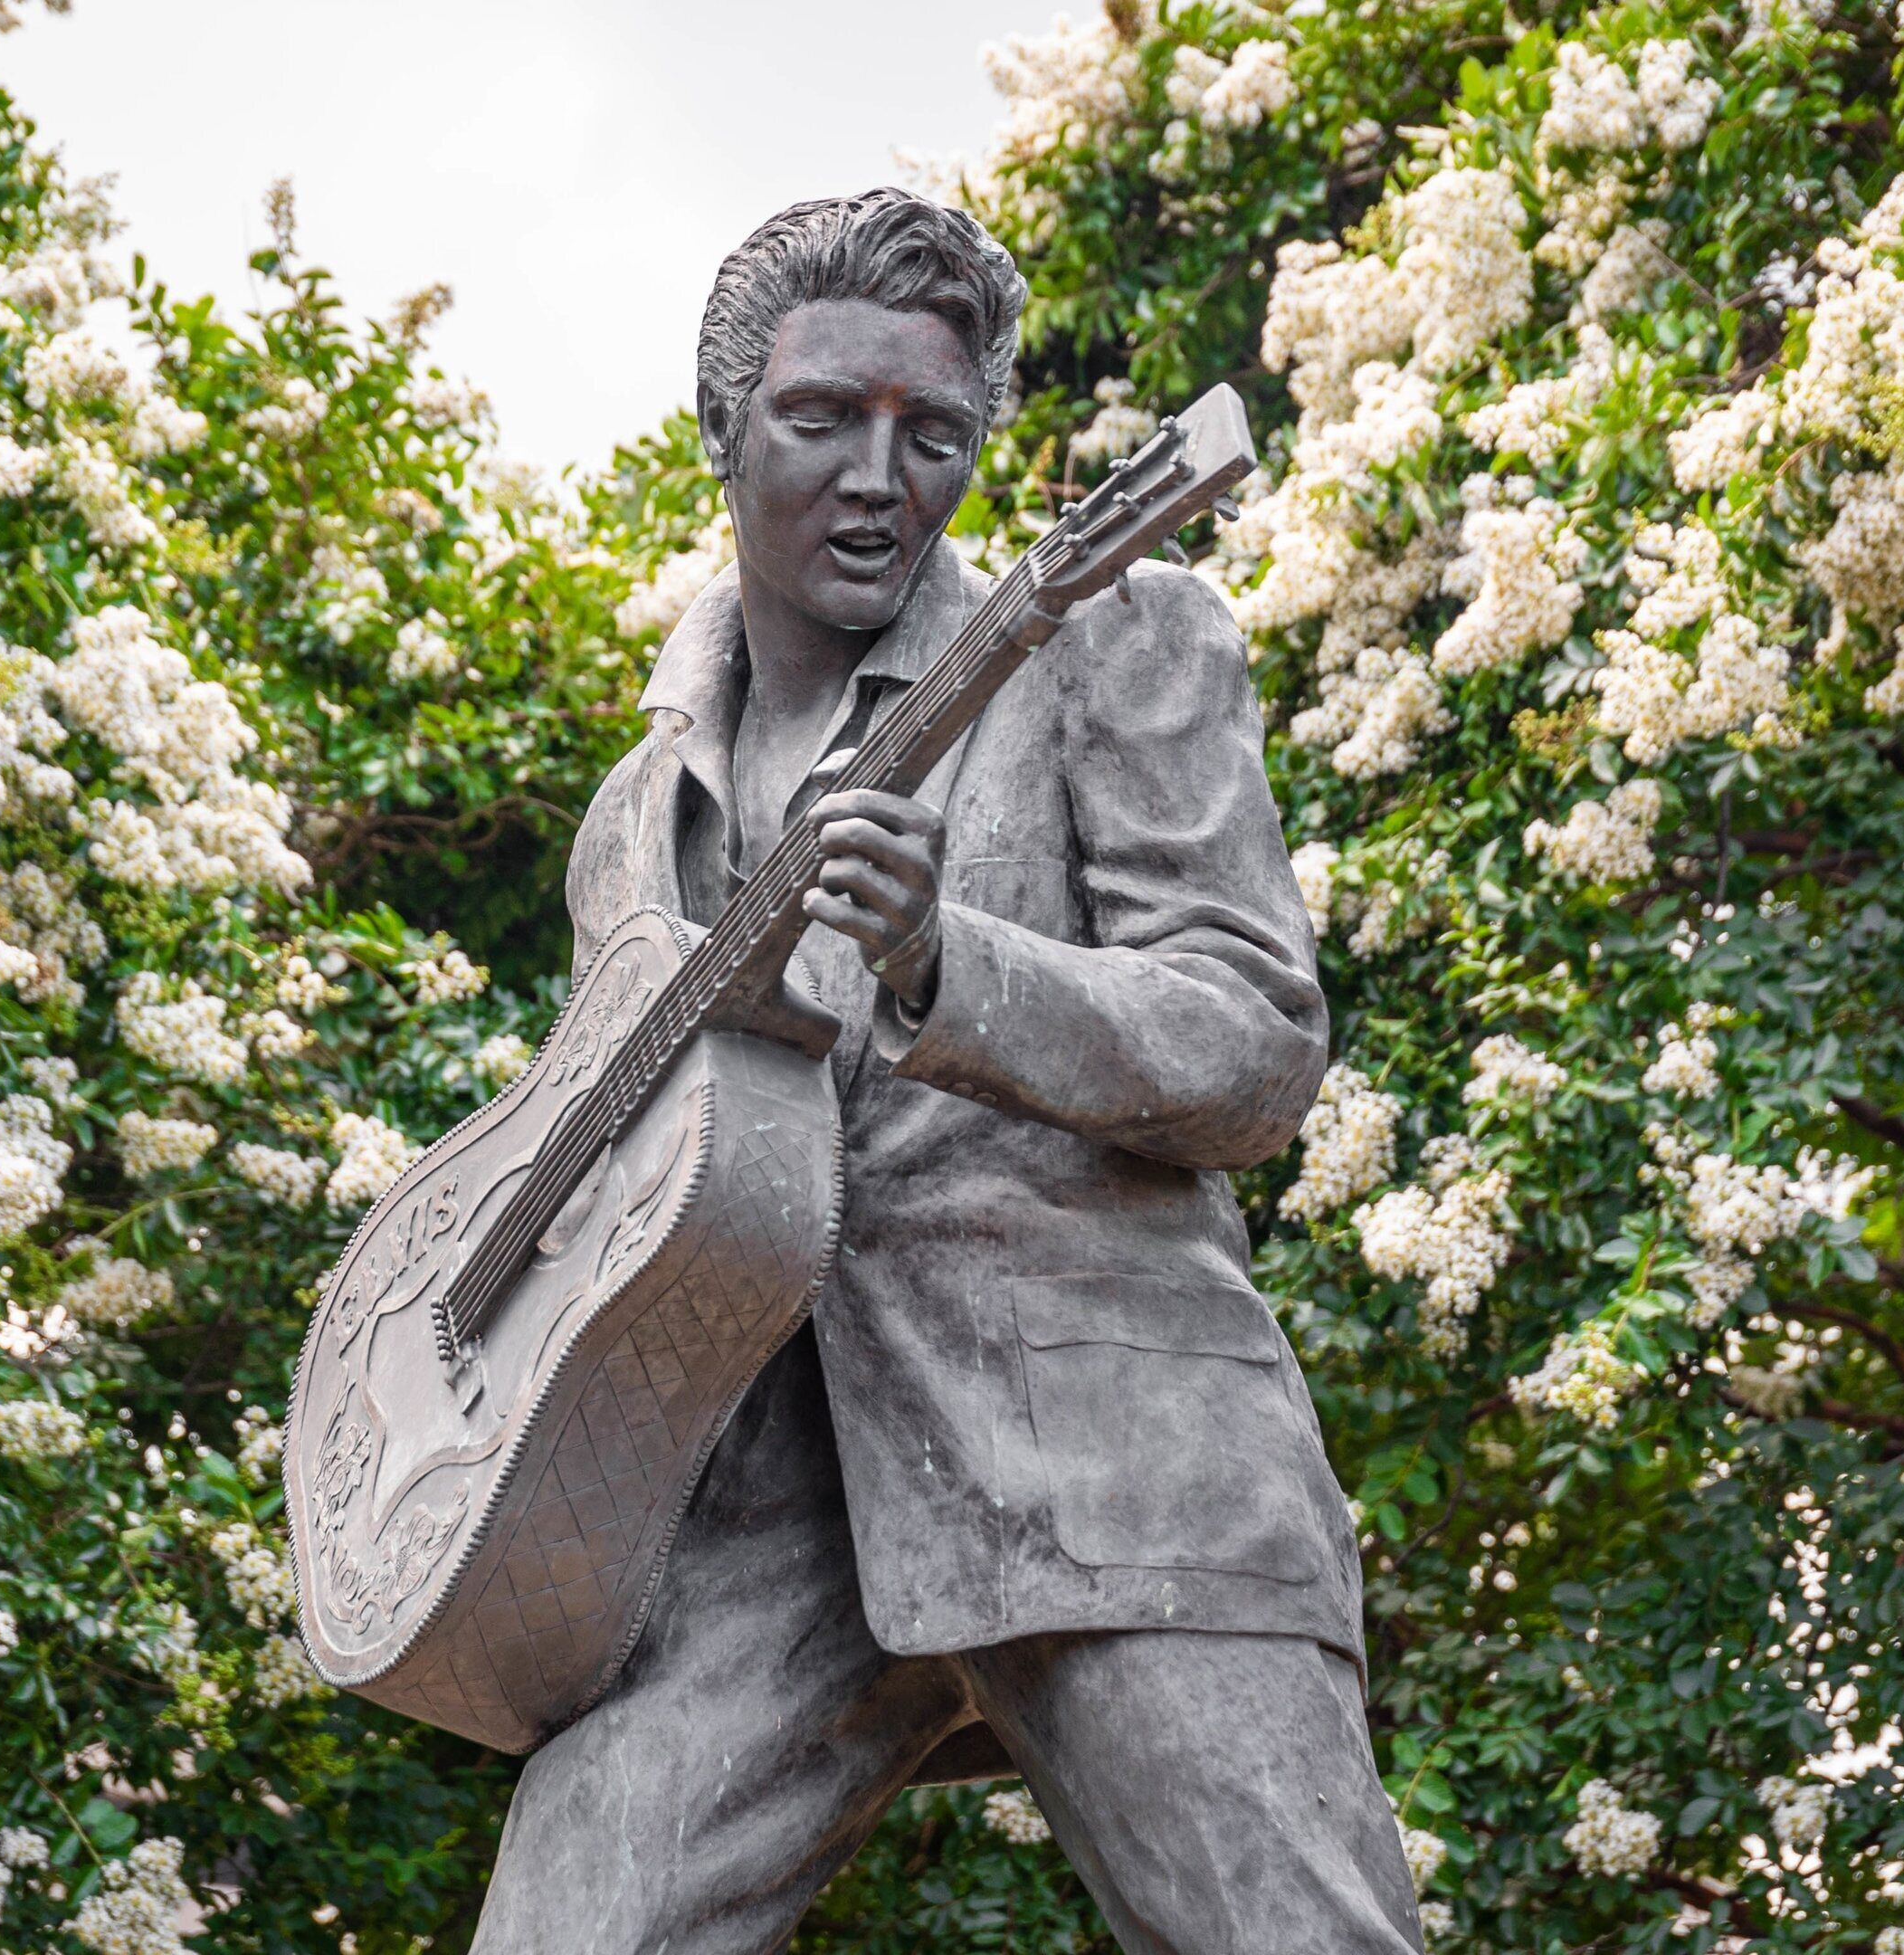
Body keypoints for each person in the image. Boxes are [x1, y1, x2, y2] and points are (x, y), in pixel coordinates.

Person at [471, 188, 1421, 1955]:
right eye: (824, 416)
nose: (879, 477)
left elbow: (1254, 1047)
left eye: (933, 433)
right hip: (761, 1517)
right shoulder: (639, 811)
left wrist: (941, 958)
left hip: (1114, 1464)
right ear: (722, 425)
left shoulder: (1113, 640)